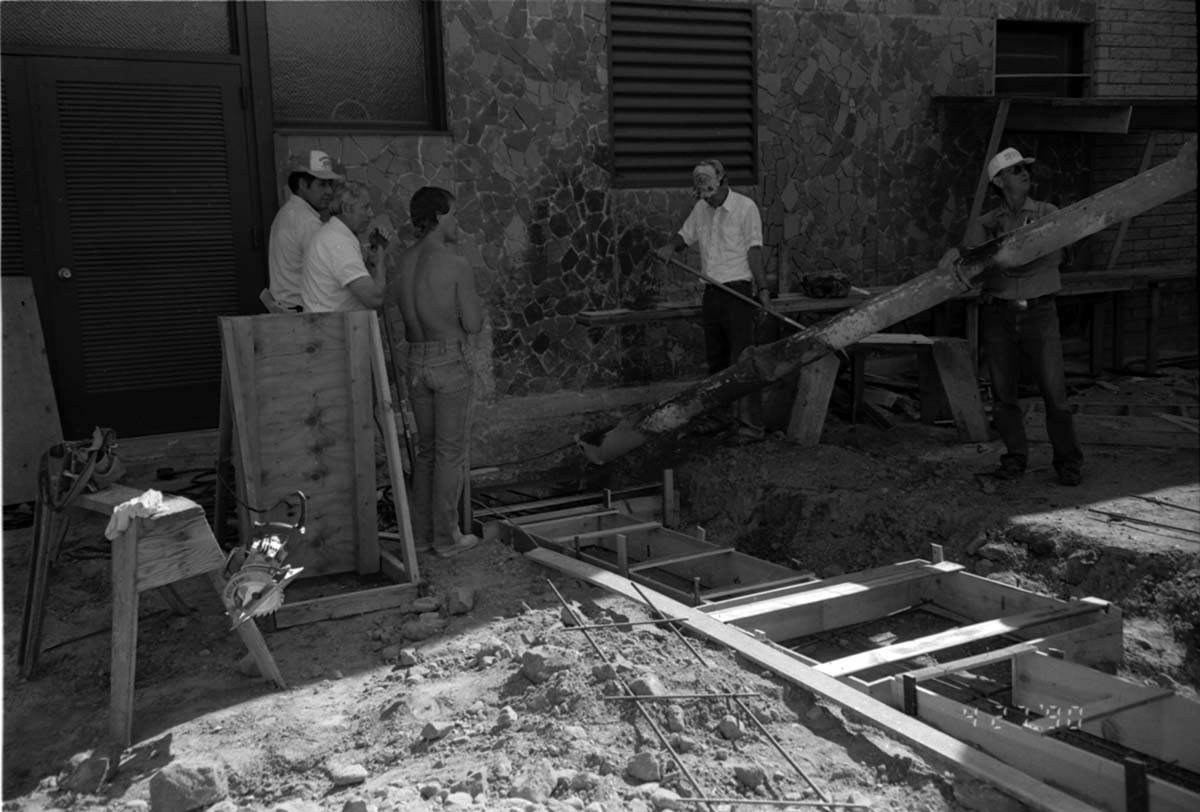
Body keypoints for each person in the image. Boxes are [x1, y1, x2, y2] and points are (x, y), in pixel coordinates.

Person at [965, 147, 1083, 486]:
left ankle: (1068, 462)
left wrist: (1002, 260)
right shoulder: (986, 223)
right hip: (999, 312)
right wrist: (999, 258)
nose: (1024, 173)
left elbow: (1050, 257)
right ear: (999, 181)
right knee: (1003, 393)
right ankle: (1015, 457)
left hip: (1039, 311)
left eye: (1024, 168)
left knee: (1054, 392)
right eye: (1015, 170)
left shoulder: (1047, 213)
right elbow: (972, 265)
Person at [389, 186, 484, 558]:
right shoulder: (455, 263)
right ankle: (446, 538)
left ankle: (421, 535)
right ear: (440, 216)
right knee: (449, 452)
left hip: (416, 361)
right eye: (454, 214)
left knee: (426, 451)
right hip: (448, 360)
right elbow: (473, 324)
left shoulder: (403, 261)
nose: (458, 222)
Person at [655, 159, 768, 437]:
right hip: (712, 293)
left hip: (738, 293)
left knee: (743, 359)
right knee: (716, 360)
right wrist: (670, 246)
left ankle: (750, 426)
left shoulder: (745, 208)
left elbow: (754, 250)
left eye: (711, 194)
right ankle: (720, 417)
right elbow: (685, 235)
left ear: (723, 181)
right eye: (703, 195)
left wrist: (763, 289)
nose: (708, 199)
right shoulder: (701, 208)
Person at [267, 150, 341, 311]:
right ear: (302, 184)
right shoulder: (307, 222)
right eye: (322, 184)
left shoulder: (288, 212)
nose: (329, 191)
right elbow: (330, 272)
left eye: (330, 184)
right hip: (302, 312)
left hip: (288, 308)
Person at [300, 181, 386, 313]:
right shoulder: (338, 242)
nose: (371, 214)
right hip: (334, 324)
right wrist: (380, 262)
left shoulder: (335, 234)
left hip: (332, 321)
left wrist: (372, 262)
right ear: (346, 208)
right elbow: (374, 299)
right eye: (365, 207)